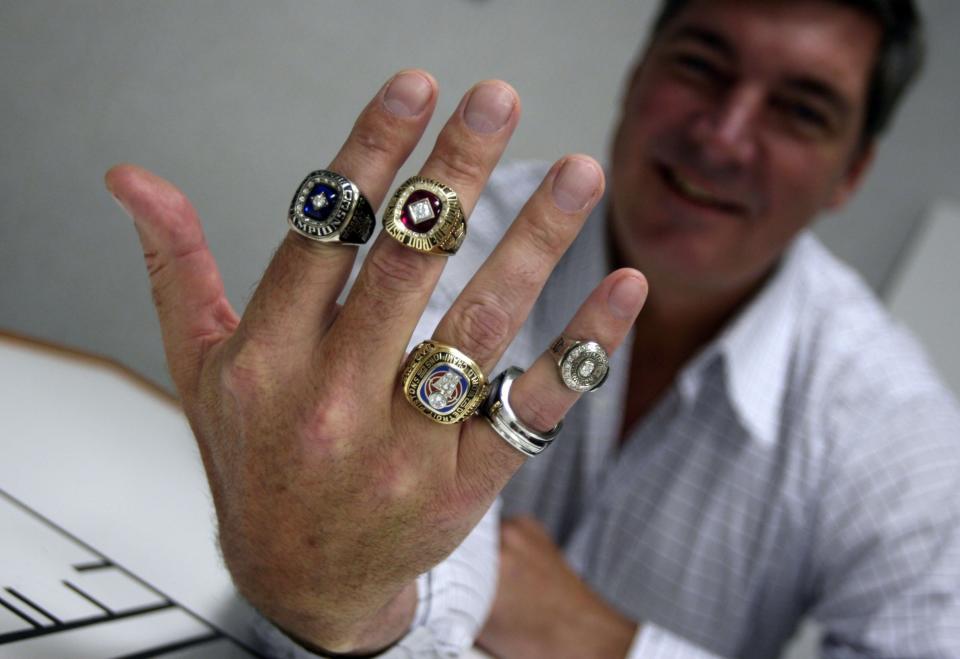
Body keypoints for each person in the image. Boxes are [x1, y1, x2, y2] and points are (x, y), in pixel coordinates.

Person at [105, 0, 960, 657]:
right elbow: (371, 514)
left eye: (800, 110)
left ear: (851, 173)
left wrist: (608, 644)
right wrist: (343, 585)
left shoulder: (896, 428)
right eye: (702, 66)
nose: (725, 137)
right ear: (638, 77)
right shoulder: (462, 237)